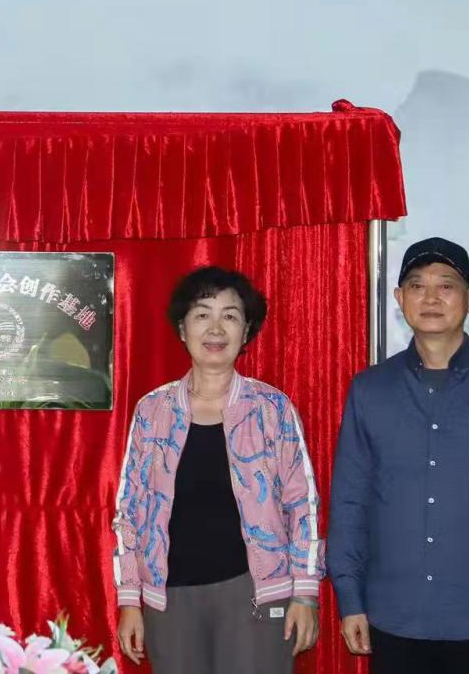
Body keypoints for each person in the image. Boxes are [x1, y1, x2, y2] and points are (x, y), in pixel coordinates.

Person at [328, 237, 469, 673]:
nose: (431, 297)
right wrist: (350, 597)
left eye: (446, 285)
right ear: (400, 299)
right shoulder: (370, 390)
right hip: (394, 614)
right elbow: (350, 501)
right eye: (417, 286)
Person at [112, 266, 324, 673]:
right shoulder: (152, 410)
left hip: (256, 592)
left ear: (246, 331)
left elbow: (303, 505)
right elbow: (130, 510)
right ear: (182, 328)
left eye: (230, 315)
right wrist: (129, 599)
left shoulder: (272, 408)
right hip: (170, 597)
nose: (215, 328)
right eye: (202, 314)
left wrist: (304, 593)